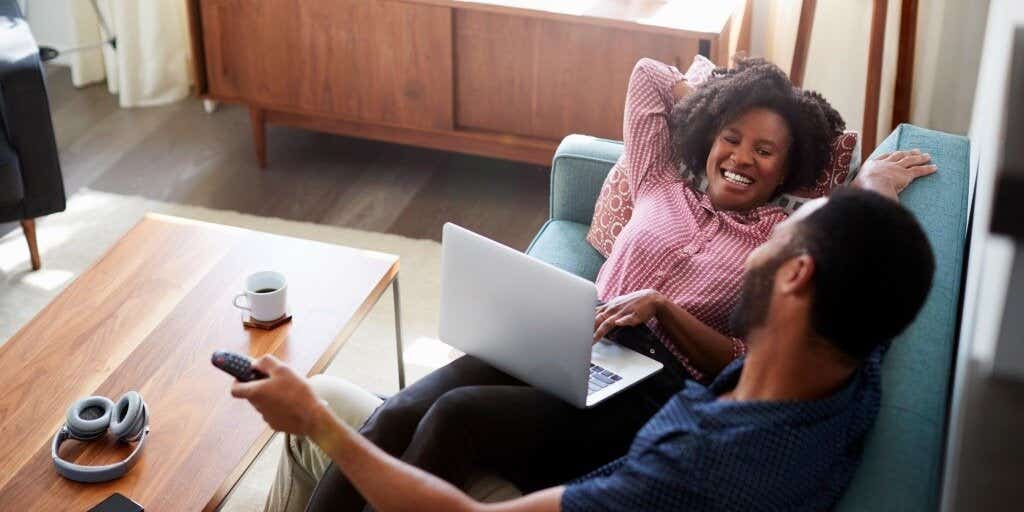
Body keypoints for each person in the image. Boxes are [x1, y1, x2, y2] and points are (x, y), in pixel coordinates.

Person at [266, 56, 934, 511]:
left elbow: (753, 351)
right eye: (732, 138)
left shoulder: (778, 260)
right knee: (397, 412)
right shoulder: (662, 184)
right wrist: (733, 104)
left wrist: (664, 309)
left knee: (453, 417)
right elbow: (648, 76)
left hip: (648, 376)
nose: (743, 158)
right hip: (571, 336)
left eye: (768, 151)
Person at [232, 186, 936, 511]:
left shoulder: (697, 462)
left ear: (797, 275)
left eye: (785, 232)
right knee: (397, 412)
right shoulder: (848, 365)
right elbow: (871, 260)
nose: (766, 239)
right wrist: (872, 192)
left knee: (319, 408)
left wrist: (315, 423)